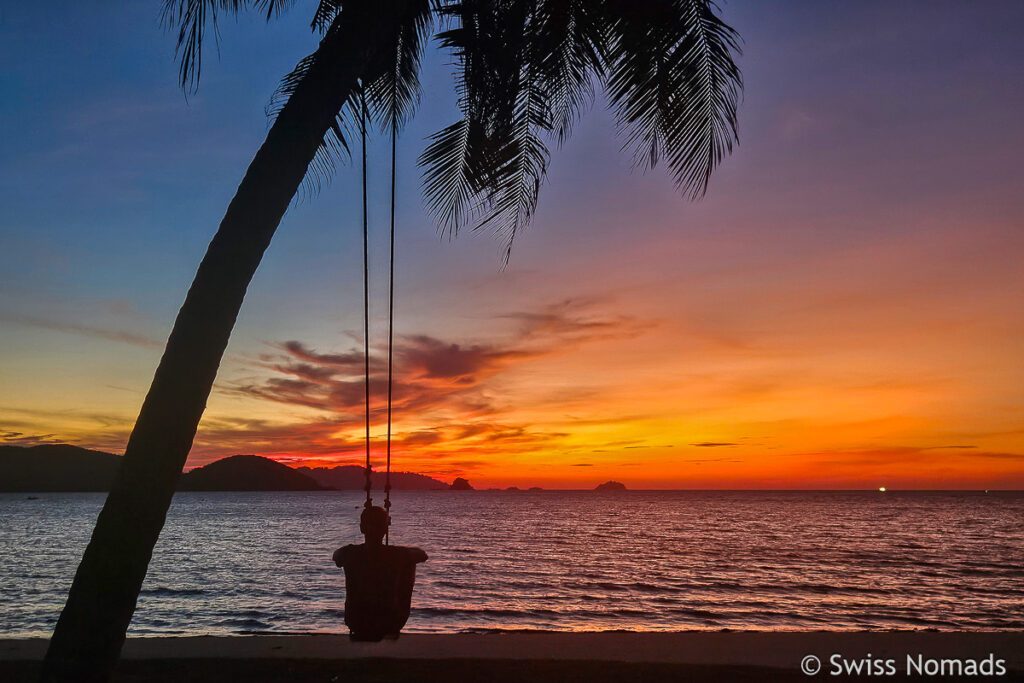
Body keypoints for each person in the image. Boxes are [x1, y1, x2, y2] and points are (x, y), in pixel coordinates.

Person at [332, 505, 428, 641]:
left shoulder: (349, 553)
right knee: (409, 563)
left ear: (361, 528)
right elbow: (422, 555)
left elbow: (336, 557)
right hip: (390, 622)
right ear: (385, 529)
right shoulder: (397, 555)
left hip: (356, 621)